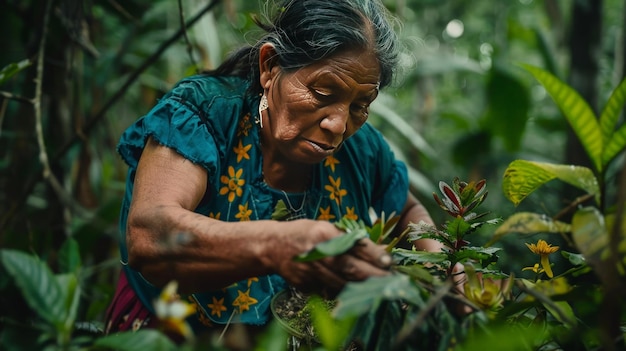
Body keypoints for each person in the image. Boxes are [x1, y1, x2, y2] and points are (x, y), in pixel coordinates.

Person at [104, 0, 443, 343]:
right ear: (270, 67)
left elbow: (407, 208)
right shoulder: (204, 115)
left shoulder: (363, 150)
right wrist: (278, 245)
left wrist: (440, 263)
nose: (338, 125)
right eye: (323, 92)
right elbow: (150, 235)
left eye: (360, 106)